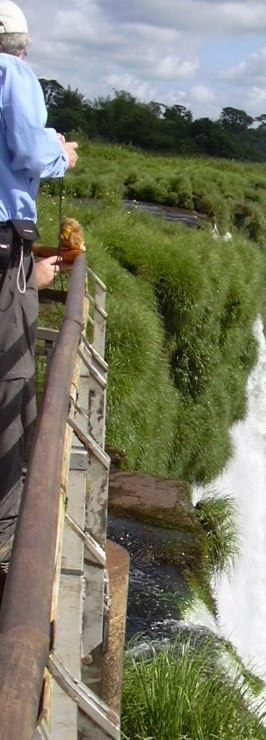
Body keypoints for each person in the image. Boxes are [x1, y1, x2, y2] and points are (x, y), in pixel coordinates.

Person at [0, 0, 78, 562]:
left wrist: (32, 270)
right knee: (11, 377)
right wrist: (61, 154)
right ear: (21, 45)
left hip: (13, 256)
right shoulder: (12, 74)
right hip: (4, 245)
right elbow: (28, 150)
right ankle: (7, 530)